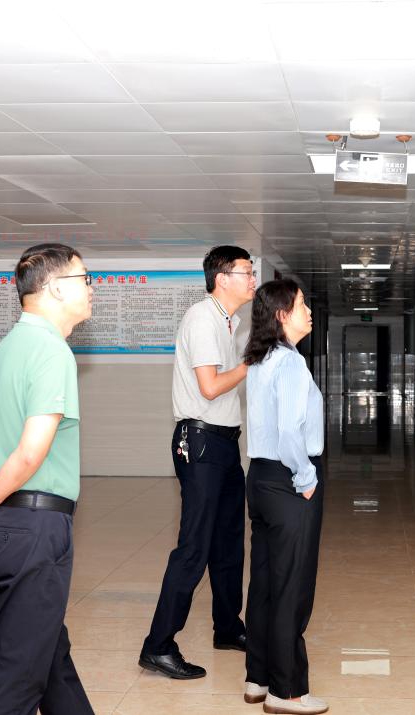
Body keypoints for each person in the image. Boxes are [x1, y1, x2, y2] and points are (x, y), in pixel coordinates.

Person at [0, 243, 95, 715]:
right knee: (18, 672)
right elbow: (32, 451)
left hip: (9, 527)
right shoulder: (51, 351)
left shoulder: (8, 348)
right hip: (35, 527)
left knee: (48, 657)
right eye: (84, 279)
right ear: (55, 288)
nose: (92, 288)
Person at [139, 245, 257, 679]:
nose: (253, 280)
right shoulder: (202, 318)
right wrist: (251, 363)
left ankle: (228, 626)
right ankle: (158, 645)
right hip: (202, 443)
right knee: (194, 547)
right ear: (222, 278)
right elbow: (210, 387)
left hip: (224, 444)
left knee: (229, 542)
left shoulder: (229, 322)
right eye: (247, 272)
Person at [242, 279, 326, 715]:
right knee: (292, 586)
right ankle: (287, 690)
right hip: (289, 480)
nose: (308, 311)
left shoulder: (261, 358)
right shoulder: (290, 362)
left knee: (264, 583)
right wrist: (306, 476)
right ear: (282, 315)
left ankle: (258, 677)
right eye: (301, 304)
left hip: (260, 477)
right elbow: (290, 431)